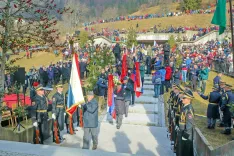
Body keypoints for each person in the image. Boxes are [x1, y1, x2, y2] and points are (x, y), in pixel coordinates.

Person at [177, 89, 194, 156]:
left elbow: (190, 123)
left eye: (184, 98)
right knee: (180, 150)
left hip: (185, 133)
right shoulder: (184, 107)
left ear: (189, 99)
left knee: (185, 151)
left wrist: (185, 135)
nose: (182, 99)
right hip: (181, 130)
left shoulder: (189, 109)